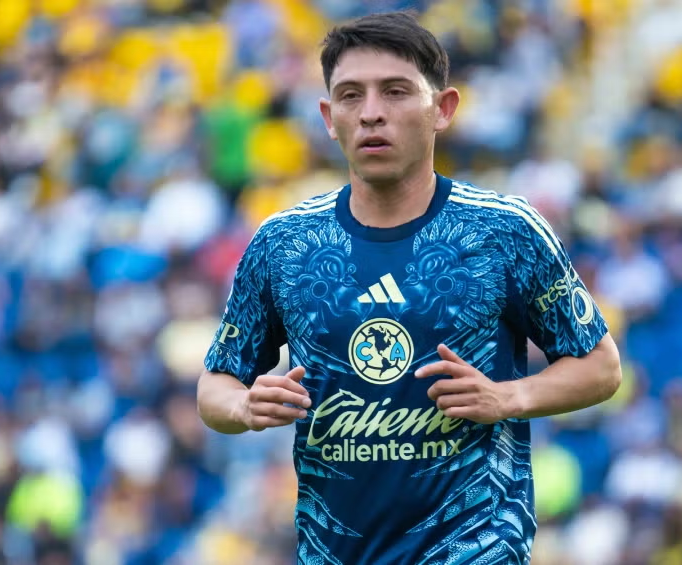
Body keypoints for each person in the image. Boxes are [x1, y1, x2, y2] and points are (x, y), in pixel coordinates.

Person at [197, 11, 622, 565]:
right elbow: (214, 387)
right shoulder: (285, 243)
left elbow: (601, 367)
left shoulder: (504, 231)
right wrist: (245, 406)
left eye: (395, 92)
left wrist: (508, 397)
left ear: (442, 108)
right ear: (328, 118)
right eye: (351, 95)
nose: (371, 112)